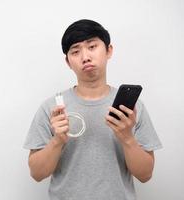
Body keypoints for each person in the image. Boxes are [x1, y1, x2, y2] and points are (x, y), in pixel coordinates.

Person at [23, 19, 162, 200]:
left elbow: (145, 175)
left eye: (92, 46)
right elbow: (37, 174)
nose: (85, 57)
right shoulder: (52, 108)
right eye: (75, 51)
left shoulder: (132, 109)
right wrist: (57, 140)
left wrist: (127, 137)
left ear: (109, 51)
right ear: (68, 61)